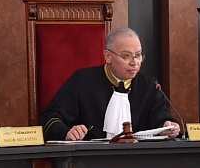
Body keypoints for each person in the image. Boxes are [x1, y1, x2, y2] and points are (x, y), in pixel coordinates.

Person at [40, 27, 181, 141]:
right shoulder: (82, 81)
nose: (135, 62)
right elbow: (50, 117)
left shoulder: (150, 86)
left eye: (138, 55)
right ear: (108, 56)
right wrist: (66, 132)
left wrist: (169, 127)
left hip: (139, 161)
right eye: (126, 56)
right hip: (90, 160)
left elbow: (161, 120)